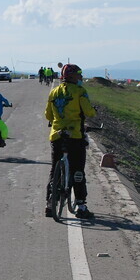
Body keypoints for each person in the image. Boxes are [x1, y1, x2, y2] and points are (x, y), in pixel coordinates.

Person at [44, 63, 97, 219]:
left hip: (57, 135)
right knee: (78, 169)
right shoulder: (80, 91)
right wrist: (93, 111)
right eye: (79, 74)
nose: (81, 77)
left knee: (54, 168)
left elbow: (48, 115)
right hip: (75, 135)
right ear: (73, 76)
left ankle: (50, 204)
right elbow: (89, 112)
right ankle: (81, 205)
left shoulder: (54, 92)